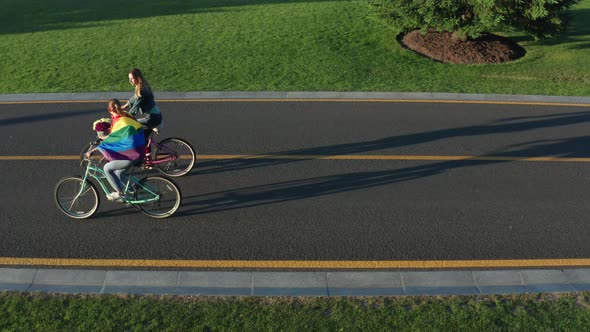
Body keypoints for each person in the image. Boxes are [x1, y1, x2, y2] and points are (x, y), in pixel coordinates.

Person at [86, 99, 145, 201]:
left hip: (131, 155)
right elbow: (120, 138)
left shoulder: (118, 121)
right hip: (139, 149)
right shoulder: (125, 115)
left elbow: (112, 139)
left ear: (109, 109)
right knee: (119, 174)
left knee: (107, 169)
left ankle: (120, 193)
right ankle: (133, 195)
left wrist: (93, 150)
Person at [121, 68, 162, 147]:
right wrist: (125, 106)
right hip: (155, 115)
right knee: (143, 137)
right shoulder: (140, 86)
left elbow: (135, 107)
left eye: (132, 78)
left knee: (134, 125)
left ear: (137, 78)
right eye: (129, 79)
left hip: (153, 118)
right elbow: (134, 97)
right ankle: (147, 153)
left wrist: (125, 116)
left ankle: (145, 152)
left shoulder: (141, 90)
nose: (130, 81)